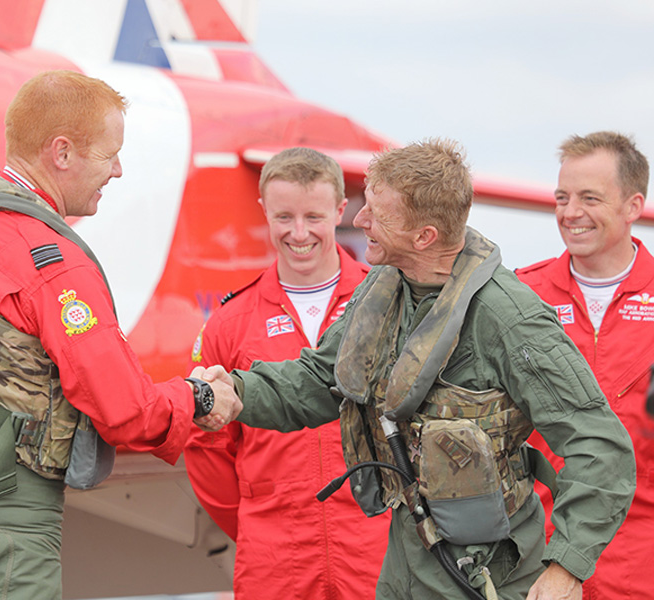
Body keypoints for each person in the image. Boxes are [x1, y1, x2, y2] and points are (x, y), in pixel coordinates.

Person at [0, 70, 240, 600]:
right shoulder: (53, 262)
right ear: (62, 153)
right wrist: (199, 397)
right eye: (110, 155)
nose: (119, 170)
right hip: (0, 521)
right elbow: (125, 410)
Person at [194, 139, 635, 600]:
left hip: (488, 575)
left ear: (424, 236)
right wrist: (234, 391)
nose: (359, 220)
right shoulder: (383, 294)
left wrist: (567, 566)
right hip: (407, 566)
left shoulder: (508, 319)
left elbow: (599, 444)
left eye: (377, 214)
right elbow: (319, 380)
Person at [184, 147, 389, 599]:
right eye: (284, 217)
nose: (299, 233)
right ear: (264, 212)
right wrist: (262, 525)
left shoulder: (387, 306)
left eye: (314, 216)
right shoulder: (230, 322)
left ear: (341, 210)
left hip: (376, 544)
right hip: (275, 554)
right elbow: (207, 447)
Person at [516, 131, 653, 600]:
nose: (570, 212)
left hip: (641, 554)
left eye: (589, 198)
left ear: (634, 205)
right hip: (536, 552)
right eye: (562, 197)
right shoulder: (518, 297)